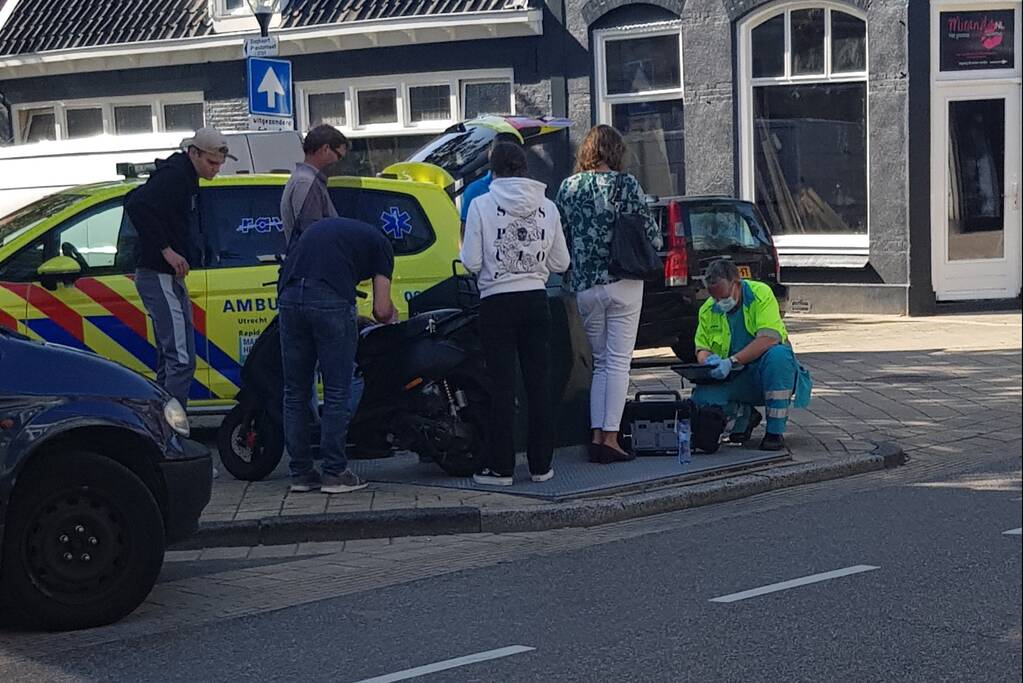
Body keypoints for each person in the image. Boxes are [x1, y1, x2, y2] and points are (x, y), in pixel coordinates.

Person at [461, 141, 570, 486]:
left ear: (493, 170)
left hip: (496, 301)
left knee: (502, 387)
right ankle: (541, 465)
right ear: (525, 167)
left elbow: (471, 261)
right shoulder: (547, 206)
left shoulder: (480, 204)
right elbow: (561, 262)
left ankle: (501, 467)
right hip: (536, 299)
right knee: (539, 384)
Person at [555, 124, 661, 464]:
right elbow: (651, 234)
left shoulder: (568, 187)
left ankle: (596, 435)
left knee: (600, 363)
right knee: (618, 363)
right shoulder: (626, 184)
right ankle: (610, 438)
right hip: (623, 280)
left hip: (585, 285)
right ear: (617, 152)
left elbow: (560, 237)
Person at [278, 216, 396, 494]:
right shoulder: (382, 245)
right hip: (329, 296)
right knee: (337, 390)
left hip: (289, 295)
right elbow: (381, 311)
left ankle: (301, 474)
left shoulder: (337, 230)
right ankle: (334, 473)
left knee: (295, 392)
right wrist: (393, 314)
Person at [126, 127, 235, 407]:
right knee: (180, 358)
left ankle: (164, 418)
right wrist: (166, 250)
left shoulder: (183, 175)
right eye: (211, 162)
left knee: (173, 356)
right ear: (193, 153)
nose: (216, 169)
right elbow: (136, 204)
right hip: (159, 273)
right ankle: (172, 424)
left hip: (165, 274)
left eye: (220, 164)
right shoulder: (175, 176)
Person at [692, 259, 810, 451]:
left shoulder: (760, 294)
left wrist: (732, 361)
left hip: (764, 374)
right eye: (715, 298)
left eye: (724, 297)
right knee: (701, 399)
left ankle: (774, 432)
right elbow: (702, 347)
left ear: (737, 284)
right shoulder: (708, 309)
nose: (720, 303)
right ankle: (745, 415)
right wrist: (708, 362)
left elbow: (769, 338)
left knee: (779, 356)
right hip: (734, 377)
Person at [280, 124, 347, 245]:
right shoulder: (306, 182)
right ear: (326, 149)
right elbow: (312, 235)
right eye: (338, 156)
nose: (338, 162)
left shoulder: (306, 179)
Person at [459, 133, 522, 239]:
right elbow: (466, 234)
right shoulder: (475, 190)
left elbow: (465, 235)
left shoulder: (474, 190)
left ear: (490, 155)